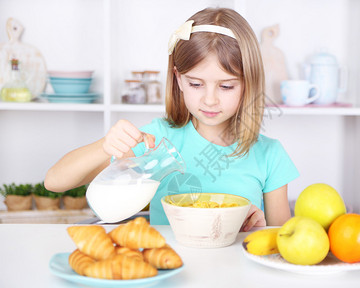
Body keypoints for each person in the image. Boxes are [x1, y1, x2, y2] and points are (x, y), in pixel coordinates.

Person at [45, 7, 299, 231]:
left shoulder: (270, 155)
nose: (210, 100)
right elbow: (54, 181)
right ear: (178, 79)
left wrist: (260, 228)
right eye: (196, 83)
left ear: (248, 84)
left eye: (226, 86)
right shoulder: (157, 140)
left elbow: (283, 244)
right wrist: (104, 146)